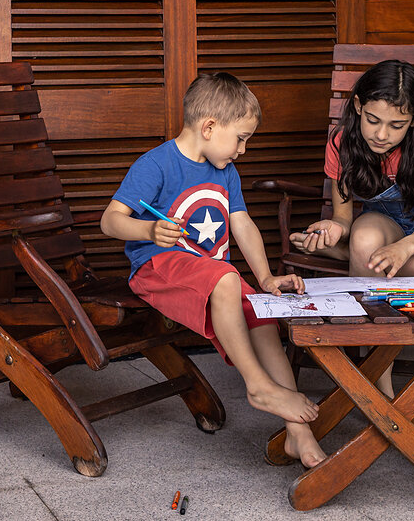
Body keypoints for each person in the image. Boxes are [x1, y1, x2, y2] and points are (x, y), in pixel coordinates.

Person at [100, 72, 327, 468]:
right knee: (224, 277)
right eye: (240, 138)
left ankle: (299, 435)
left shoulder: (225, 171)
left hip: (210, 274)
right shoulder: (155, 164)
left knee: (260, 311)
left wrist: (265, 279)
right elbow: (110, 221)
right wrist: (148, 230)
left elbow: (242, 224)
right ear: (208, 127)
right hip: (156, 269)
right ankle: (258, 386)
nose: (242, 149)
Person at [289, 59, 414, 397]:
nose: (381, 134)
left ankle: (352, 259)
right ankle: (381, 380)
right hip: (384, 219)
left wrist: (404, 248)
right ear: (358, 106)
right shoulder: (342, 141)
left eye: (396, 125)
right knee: (363, 238)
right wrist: (335, 230)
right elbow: (344, 218)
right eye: (373, 120)